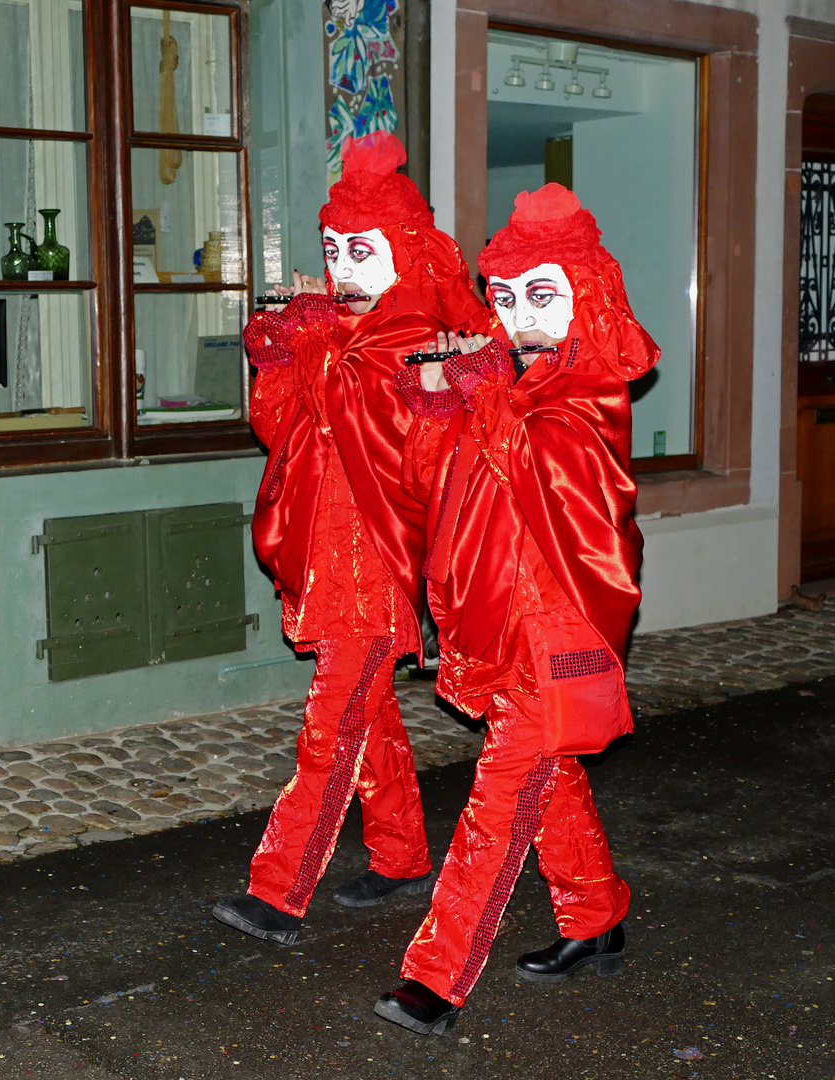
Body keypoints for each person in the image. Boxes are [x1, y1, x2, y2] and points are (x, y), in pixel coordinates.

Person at [374, 183, 660, 1034]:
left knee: (498, 806)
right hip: (498, 620)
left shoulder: (587, 391)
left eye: (542, 297)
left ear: (585, 297)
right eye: (505, 299)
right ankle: (596, 915)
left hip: (554, 634)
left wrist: (477, 393)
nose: (520, 319)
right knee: (549, 779)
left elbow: (548, 475)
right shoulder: (510, 385)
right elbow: (440, 484)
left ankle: (435, 978)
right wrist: (435, 401)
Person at [212, 132, 490, 946]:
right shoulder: (339, 332)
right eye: (335, 250)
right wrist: (291, 347)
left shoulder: (412, 343)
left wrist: (315, 339)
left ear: (400, 253)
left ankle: (279, 888)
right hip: (324, 553)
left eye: (359, 250)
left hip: (376, 563)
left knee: (331, 724)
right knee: (365, 717)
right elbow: (278, 426)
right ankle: (403, 854)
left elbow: (393, 435)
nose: (344, 268)